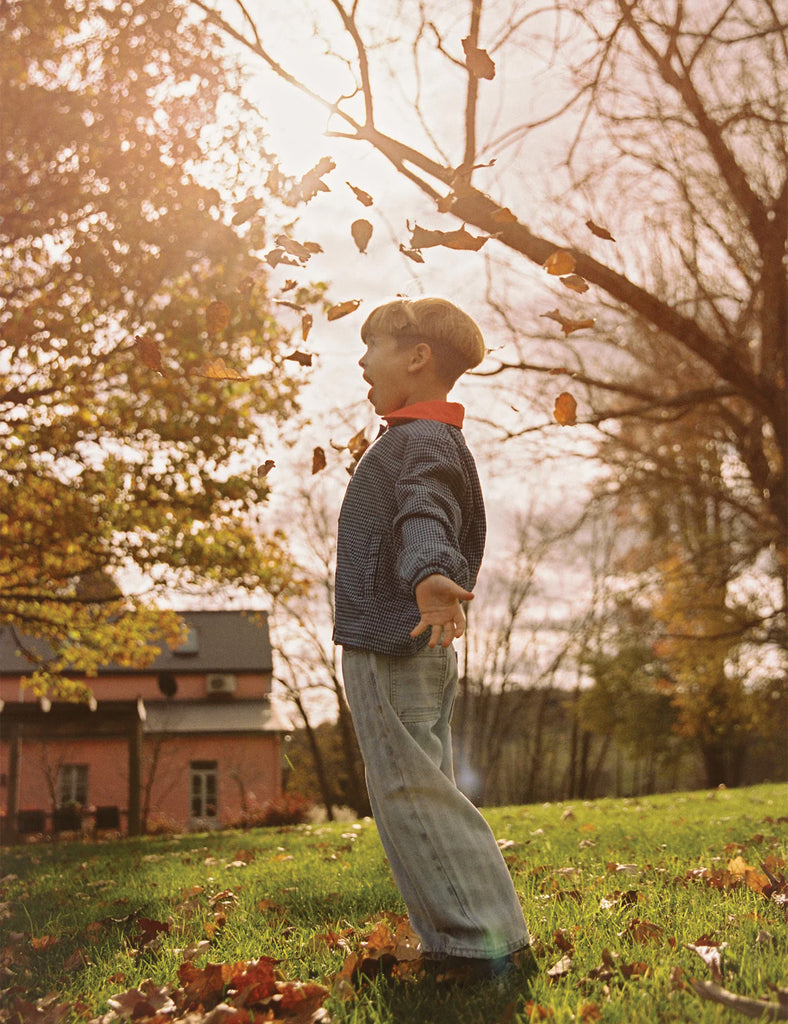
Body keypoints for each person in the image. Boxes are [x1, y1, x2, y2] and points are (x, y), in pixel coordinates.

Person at [333, 297, 531, 981]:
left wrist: (430, 573)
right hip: (408, 642)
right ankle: (474, 938)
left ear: (417, 357)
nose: (361, 359)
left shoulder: (419, 443)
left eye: (374, 345)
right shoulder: (422, 438)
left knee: (410, 791)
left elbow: (425, 514)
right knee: (425, 787)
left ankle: (474, 947)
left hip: (392, 644)